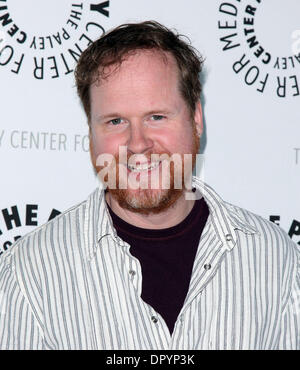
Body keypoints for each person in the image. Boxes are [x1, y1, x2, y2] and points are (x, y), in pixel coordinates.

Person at [0, 21, 299, 350]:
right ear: (91, 133)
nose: (138, 144)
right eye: (115, 121)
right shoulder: (29, 272)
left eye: (156, 116)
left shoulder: (275, 258)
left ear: (196, 118)